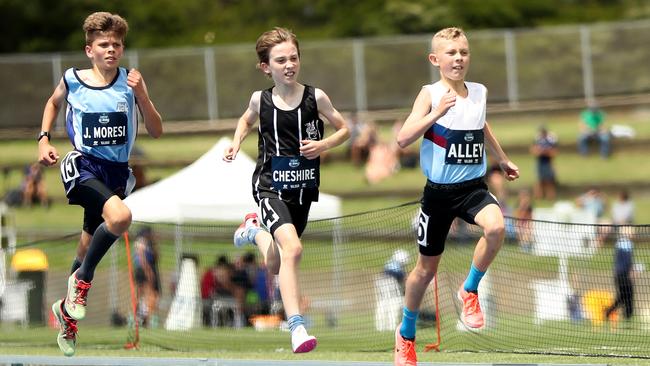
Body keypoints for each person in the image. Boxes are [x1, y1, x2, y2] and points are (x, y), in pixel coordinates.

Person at [37, 12, 162, 357]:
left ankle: (66, 312)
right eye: (104, 45)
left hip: (116, 174)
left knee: (85, 245)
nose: (111, 50)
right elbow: (52, 102)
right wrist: (44, 138)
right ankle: (82, 283)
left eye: (117, 45)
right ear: (89, 49)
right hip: (83, 166)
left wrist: (144, 97)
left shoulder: (131, 82)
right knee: (120, 218)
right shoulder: (73, 79)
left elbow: (156, 130)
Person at [393, 27, 519, 366]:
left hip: (472, 188)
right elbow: (403, 138)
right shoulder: (430, 94)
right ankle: (405, 336)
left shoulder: (479, 92)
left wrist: (501, 158)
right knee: (424, 271)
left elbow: (481, 125)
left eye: (463, 52)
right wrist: (436, 113)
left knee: (496, 228)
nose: (458, 58)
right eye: (451, 53)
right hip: (438, 194)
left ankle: (470, 290)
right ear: (436, 59)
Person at [222, 27, 349, 353]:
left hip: (304, 189)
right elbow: (245, 121)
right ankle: (296, 327)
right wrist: (236, 143)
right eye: (281, 60)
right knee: (293, 250)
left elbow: (345, 129)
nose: (289, 64)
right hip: (270, 188)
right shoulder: (259, 100)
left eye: (293, 57)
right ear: (266, 67)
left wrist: (324, 144)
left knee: (277, 262)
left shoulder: (315, 97)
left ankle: (253, 231)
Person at [604, 227, 635, 323]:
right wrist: (632, 270)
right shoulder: (627, 244)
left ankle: (611, 312)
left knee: (623, 295)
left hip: (618, 274)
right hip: (623, 274)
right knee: (625, 295)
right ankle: (623, 315)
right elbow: (627, 261)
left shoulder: (619, 243)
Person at [133, 227, 161, 328]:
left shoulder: (150, 244)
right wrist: (148, 271)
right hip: (144, 269)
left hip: (148, 268)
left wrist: (155, 245)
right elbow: (142, 258)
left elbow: (157, 257)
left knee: (149, 295)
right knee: (147, 294)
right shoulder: (141, 242)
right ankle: (142, 318)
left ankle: (143, 318)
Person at [530, 126, 558, 200]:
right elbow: (534, 151)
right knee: (539, 180)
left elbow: (554, 152)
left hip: (548, 162)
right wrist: (542, 151)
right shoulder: (537, 140)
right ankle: (538, 196)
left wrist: (544, 152)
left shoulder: (550, 141)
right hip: (540, 162)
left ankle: (550, 197)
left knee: (549, 181)